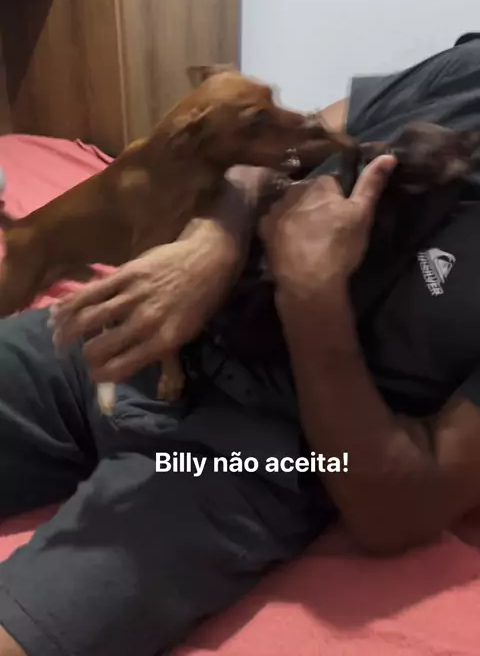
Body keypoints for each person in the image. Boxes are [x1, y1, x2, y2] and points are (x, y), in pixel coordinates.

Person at [2, 37, 480, 656]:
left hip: (257, 455)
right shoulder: (467, 70)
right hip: (140, 331)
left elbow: (399, 510)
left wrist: (312, 296)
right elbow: (284, 146)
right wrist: (216, 245)